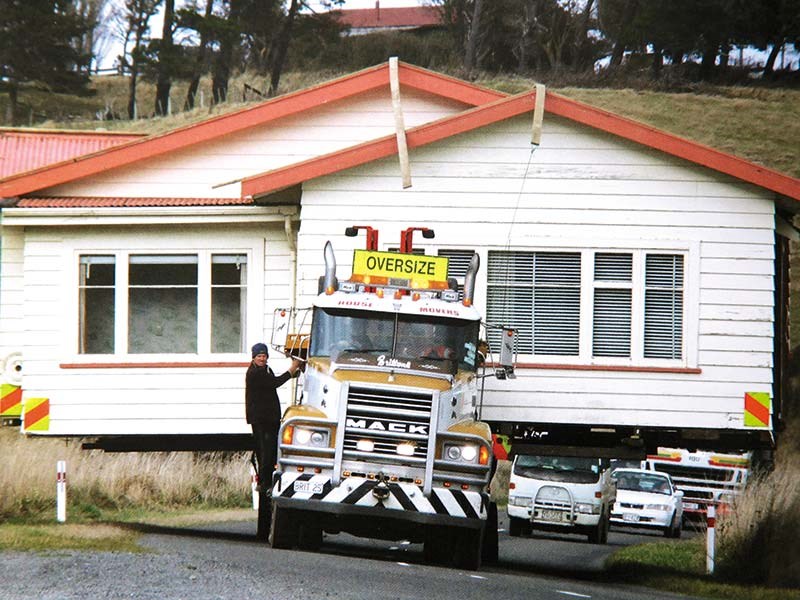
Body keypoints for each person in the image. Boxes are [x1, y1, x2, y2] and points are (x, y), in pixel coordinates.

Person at [245, 342, 303, 492]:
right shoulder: (254, 373)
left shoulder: (265, 369)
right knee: (265, 450)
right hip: (261, 418)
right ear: (253, 358)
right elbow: (274, 383)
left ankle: (267, 480)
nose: (262, 359)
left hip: (269, 417)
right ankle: (264, 483)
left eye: (264, 356)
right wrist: (291, 370)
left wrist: (293, 373)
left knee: (269, 450)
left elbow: (272, 382)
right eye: (259, 356)